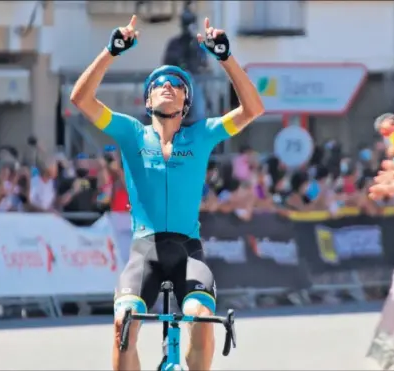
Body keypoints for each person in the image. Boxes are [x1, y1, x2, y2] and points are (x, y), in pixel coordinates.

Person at [69, 14, 264, 371]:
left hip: (188, 252)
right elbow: (81, 99)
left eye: (177, 83)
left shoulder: (202, 133)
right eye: (160, 83)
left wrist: (226, 58)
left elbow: (253, 109)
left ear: (186, 102)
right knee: (122, 324)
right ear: (147, 100)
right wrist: (110, 52)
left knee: (202, 318)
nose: (168, 85)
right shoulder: (131, 132)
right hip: (145, 252)